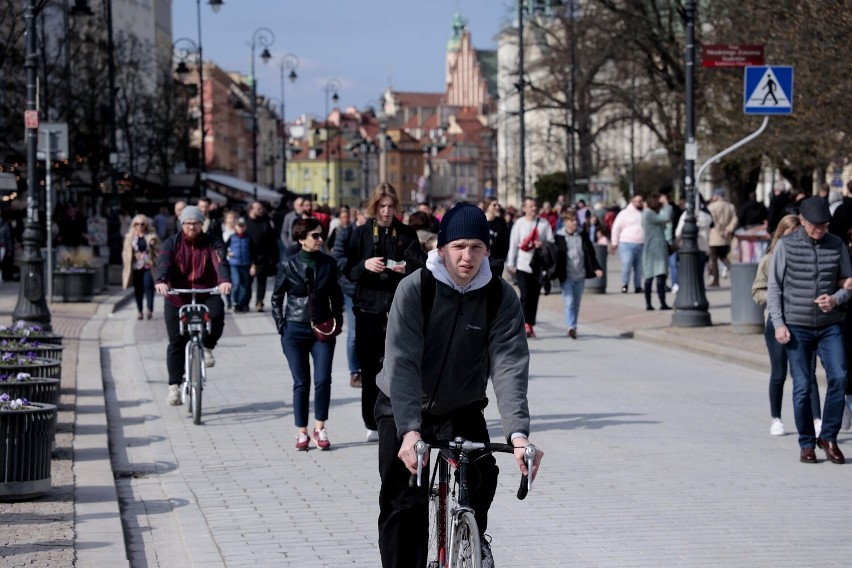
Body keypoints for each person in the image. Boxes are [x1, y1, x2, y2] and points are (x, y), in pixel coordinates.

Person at [375, 203, 543, 568]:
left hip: (462, 404)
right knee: (403, 504)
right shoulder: (415, 289)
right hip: (403, 403)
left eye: (477, 247)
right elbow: (402, 361)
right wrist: (409, 432)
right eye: (459, 246)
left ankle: (471, 537)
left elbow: (509, 365)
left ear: (487, 250)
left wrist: (518, 435)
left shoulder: (500, 296)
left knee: (483, 474)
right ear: (442, 248)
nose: (468, 257)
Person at [767, 197, 852, 464]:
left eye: (825, 224)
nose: (821, 230)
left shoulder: (837, 245)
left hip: (829, 325)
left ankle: (828, 437)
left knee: (839, 377)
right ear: (803, 222)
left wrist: (836, 299)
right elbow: (774, 287)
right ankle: (806, 442)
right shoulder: (785, 246)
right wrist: (779, 324)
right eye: (816, 225)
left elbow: (848, 285)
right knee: (802, 387)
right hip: (797, 325)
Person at [344, 183, 425, 443]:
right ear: (374, 206)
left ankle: (404, 418)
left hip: (399, 310)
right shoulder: (361, 233)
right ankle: (371, 421)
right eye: (382, 206)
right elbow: (347, 270)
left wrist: (407, 267)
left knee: (400, 367)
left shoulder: (406, 232)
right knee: (370, 370)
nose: (387, 211)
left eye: (391, 206)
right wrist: (365, 265)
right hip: (368, 308)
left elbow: (422, 267)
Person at [271, 217, 344, 451]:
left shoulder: (328, 264)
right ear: (301, 239)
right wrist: (281, 324)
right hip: (294, 329)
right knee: (301, 382)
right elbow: (276, 297)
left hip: (322, 329)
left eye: (321, 235)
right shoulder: (288, 264)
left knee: (323, 379)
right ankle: (301, 432)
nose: (320, 239)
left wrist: (337, 320)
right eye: (315, 235)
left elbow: (336, 294)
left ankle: (319, 427)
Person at [154, 206, 232, 406]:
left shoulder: (212, 242)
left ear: (201, 224)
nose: (192, 227)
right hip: (177, 296)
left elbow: (220, 261)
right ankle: (174, 386)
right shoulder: (172, 243)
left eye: (196, 223)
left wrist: (224, 280)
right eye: (188, 223)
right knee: (176, 342)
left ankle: (207, 347)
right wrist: (162, 280)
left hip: (206, 292)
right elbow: (164, 262)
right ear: (182, 224)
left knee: (216, 317)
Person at [753, 214, 822, 437]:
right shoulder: (769, 259)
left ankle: (816, 418)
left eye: (797, 236)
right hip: (777, 320)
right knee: (779, 372)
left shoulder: (811, 257)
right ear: (780, 236)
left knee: (807, 373)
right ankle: (776, 418)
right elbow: (757, 291)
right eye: (788, 236)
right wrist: (776, 300)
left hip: (803, 320)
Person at [506, 197, 554, 338]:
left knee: (535, 296)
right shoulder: (519, 224)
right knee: (525, 294)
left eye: (535, 206)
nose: (534, 208)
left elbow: (551, 242)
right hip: (522, 265)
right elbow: (513, 244)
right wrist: (510, 264)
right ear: (525, 208)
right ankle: (523, 324)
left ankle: (530, 324)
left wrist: (542, 243)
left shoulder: (544, 224)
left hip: (538, 266)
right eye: (531, 206)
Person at [555, 208, 602, 338]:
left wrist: (596, 268)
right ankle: (570, 327)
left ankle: (573, 325)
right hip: (567, 275)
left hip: (580, 274)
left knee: (576, 302)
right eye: (571, 221)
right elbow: (555, 257)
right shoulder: (559, 236)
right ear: (565, 222)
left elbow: (590, 252)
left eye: (576, 220)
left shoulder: (583, 234)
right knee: (569, 301)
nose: (575, 223)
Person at [331, 213, 363, 388]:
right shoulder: (345, 233)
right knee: (354, 332)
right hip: (352, 289)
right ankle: (355, 372)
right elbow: (337, 258)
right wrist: (358, 267)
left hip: (374, 290)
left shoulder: (378, 233)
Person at [122, 214, 160, 320]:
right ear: (133, 225)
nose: (139, 226)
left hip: (148, 264)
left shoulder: (151, 235)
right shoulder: (130, 236)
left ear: (146, 225)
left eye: (142, 224)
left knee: (148, 285)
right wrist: (129, 259)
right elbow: (125, 252)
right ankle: (139, 311)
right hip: (135, 266)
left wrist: (153, 244)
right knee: (138, 289)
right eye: (137, 224)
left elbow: (159, 249)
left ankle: (149, 310)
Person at [244, 201, 278, 312]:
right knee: (247, 282)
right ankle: (245, 302)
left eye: (261, 208)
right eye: (258, 208)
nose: (261, 210)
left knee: (261, 282)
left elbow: (272, 240)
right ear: (250, 209)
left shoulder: (266, 222)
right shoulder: (244, 222)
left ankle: (259, 302)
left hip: (263, 256)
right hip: (248, 256)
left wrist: (273, 257)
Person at [641, 193, 672, 310]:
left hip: (654, 248)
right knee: (656, 276)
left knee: (657, 277)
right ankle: (653, 303)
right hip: (655, 249)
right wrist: (666, 204)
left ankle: (657, 303)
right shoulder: (649, 214)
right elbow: (666, 218)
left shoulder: (650, 214)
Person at [610, 194, 645, 294]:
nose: (641, 203)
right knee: (626, 265)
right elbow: (616, 227)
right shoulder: (625, 213)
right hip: (627, 243)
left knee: (639, 267)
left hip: (641, 243)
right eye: (638, 201)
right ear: (632, 201)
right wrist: (614, 242)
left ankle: (638, 286)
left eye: (641, 200)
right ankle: (624, 285)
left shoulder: (644, 212)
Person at [707, 188, 737, 287]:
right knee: (724, 257)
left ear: (716, 195)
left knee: (714, 258)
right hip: (726, 237)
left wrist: (720, 231)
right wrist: (728, 230)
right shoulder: (731, 206)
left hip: (715, 236)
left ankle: (716, 280)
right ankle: (735, 273)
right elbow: (734, 219)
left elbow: (714, 220)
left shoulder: (711, 207)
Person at [227, 217, 254, 313]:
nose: (241, 228)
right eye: (239, 226)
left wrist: (253, 265)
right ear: (235, 227)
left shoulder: (248, 238)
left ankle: (240, 304)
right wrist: (228, 254)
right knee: (237, 283)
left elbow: (252, 252)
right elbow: (225, 249)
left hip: (245, 264)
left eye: (243, 226)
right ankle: (234, 301)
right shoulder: (232, 237)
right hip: (234, 264)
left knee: (244, 286)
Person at [483, 197, 509, 276]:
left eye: (498, 205)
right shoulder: (480, 221)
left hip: (496, 261)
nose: (497, 207)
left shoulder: (501, 222)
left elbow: (506, 242)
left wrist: (502, 259)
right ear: (487, 206)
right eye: (494, 205)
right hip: (482, 261)